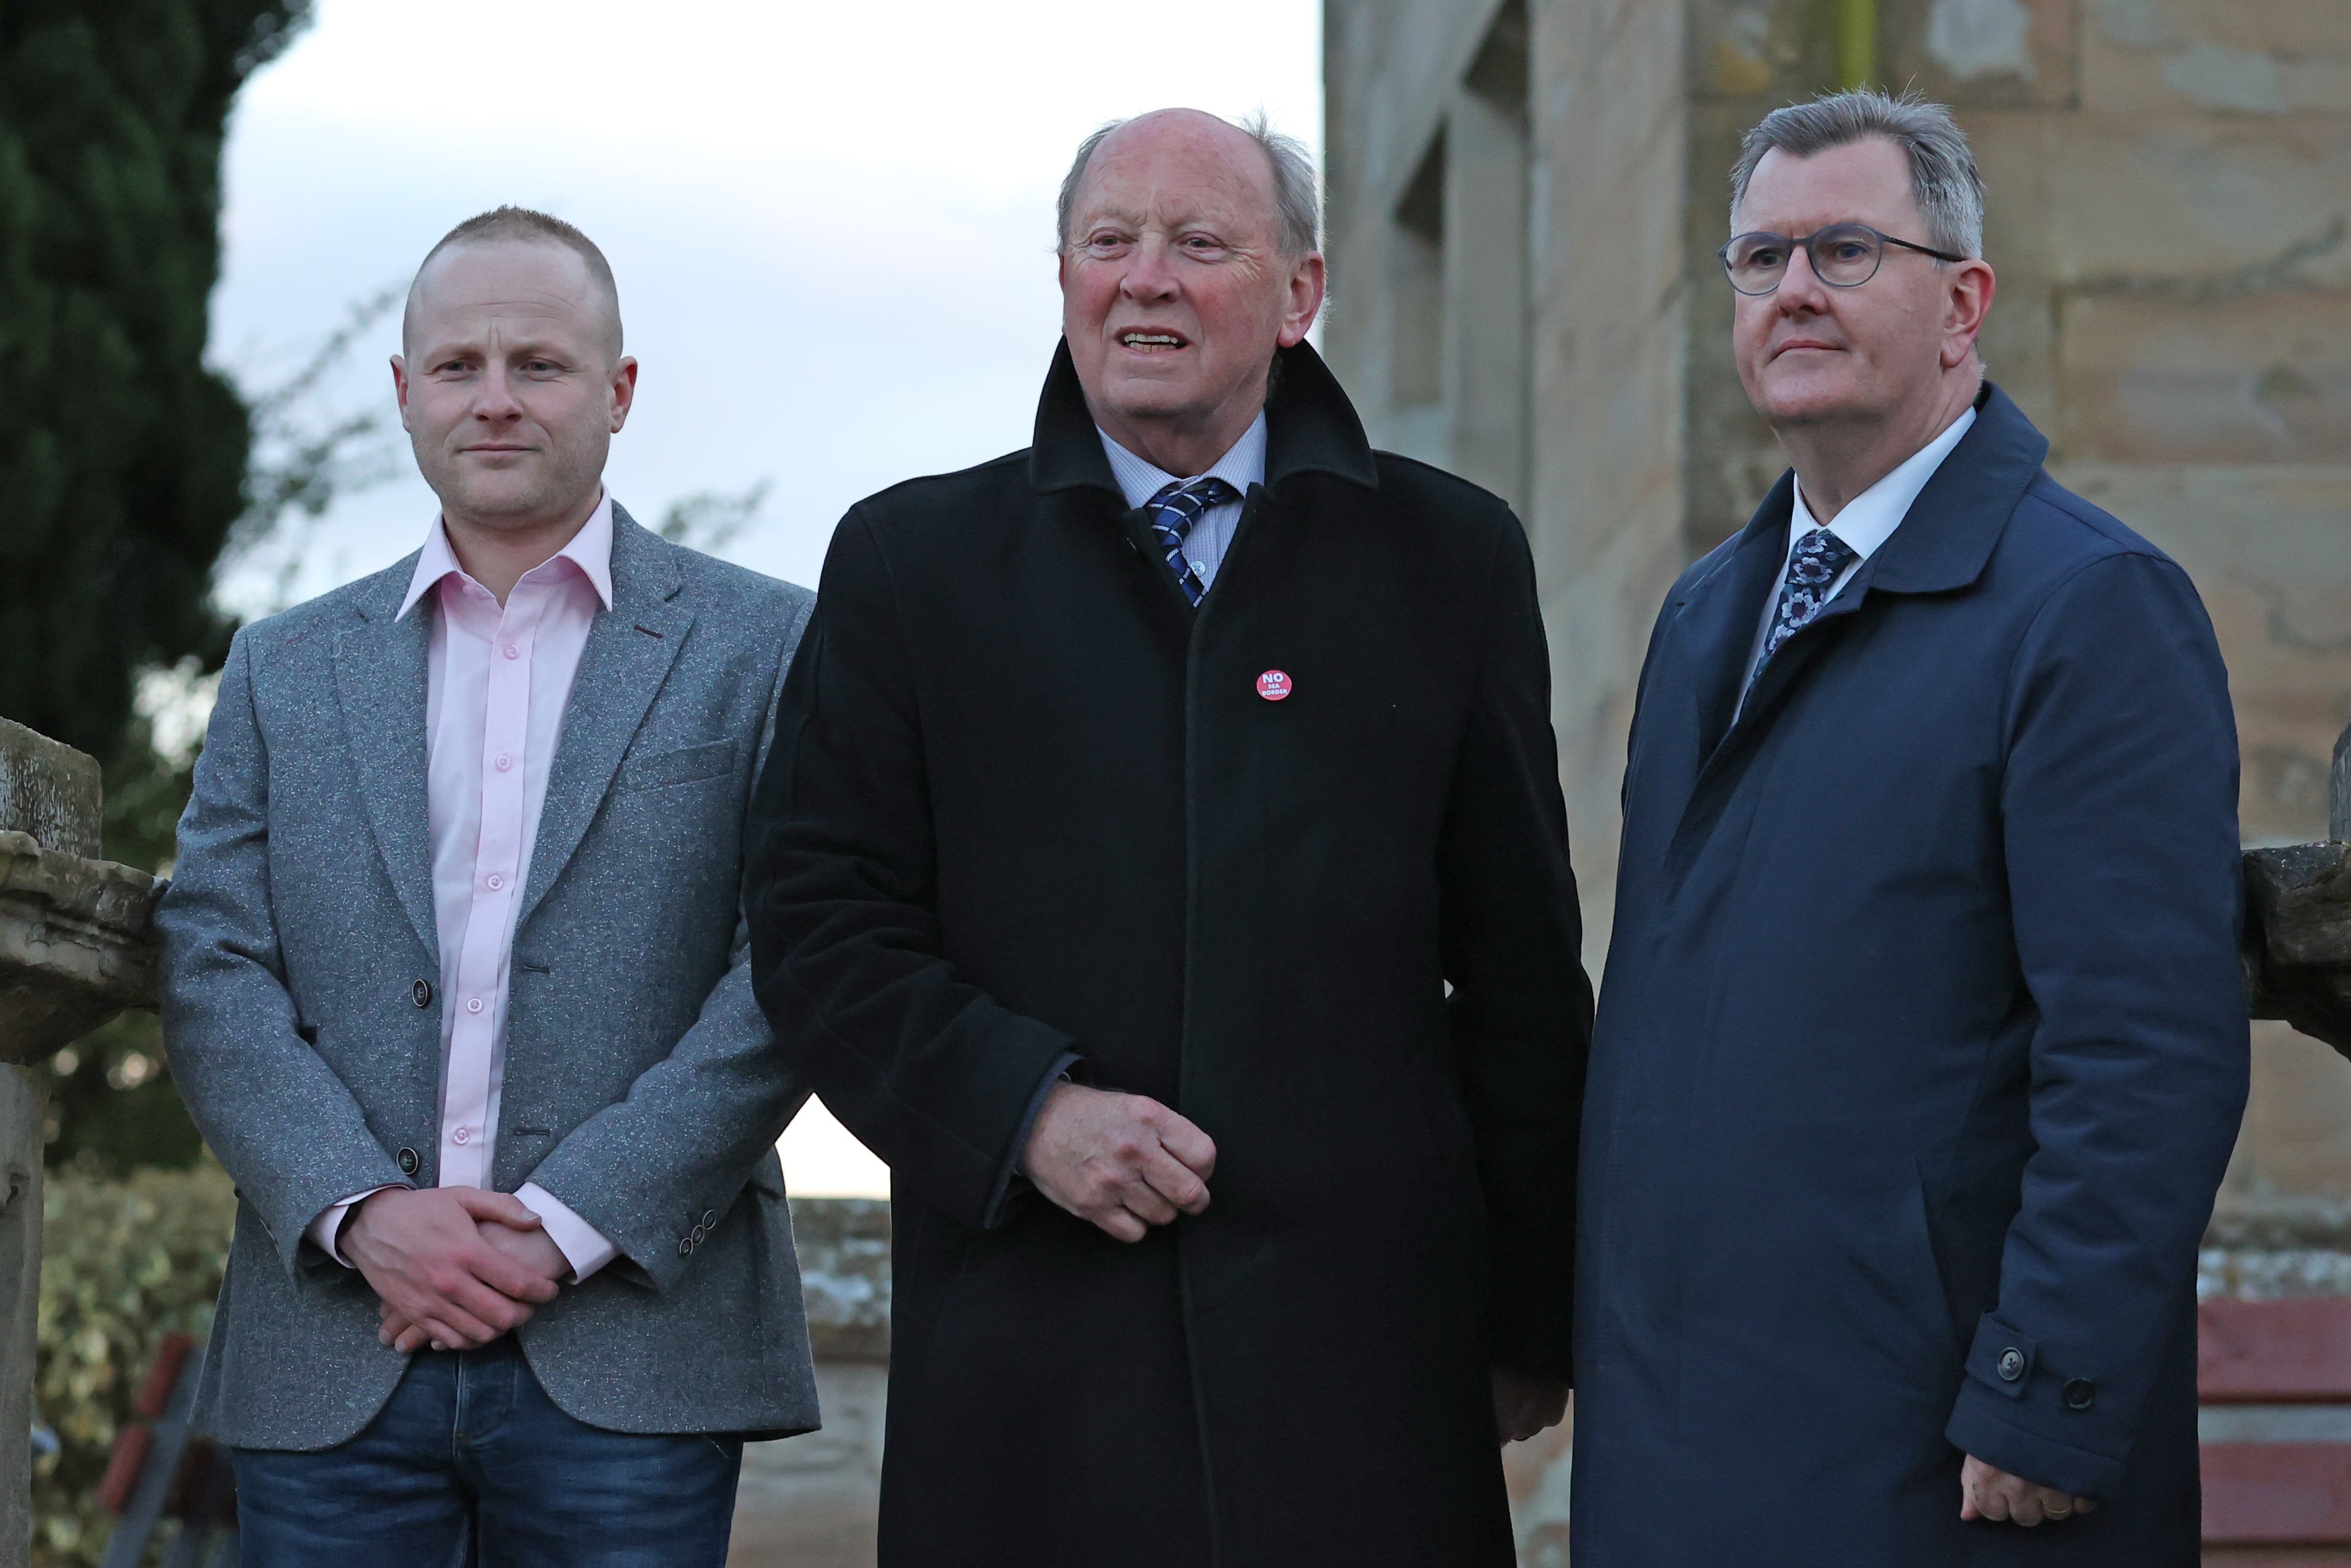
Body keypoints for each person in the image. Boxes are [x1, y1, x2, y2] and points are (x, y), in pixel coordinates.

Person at [744, 109, 1592, 1566]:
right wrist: (1025, 1113)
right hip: (1030, 1368)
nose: (1145, 280)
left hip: (1366, 1374)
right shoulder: (908, 565)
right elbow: (820, 927)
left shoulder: (1453, 559)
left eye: (1201, 244)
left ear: (1298, 294)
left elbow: (1517, 966)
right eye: (1108, 243)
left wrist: (1528, 1313)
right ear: (1063, 276)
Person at [1573, 90, 2247, 1565]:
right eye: (1760, 260)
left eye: (1845, 251)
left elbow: (2145, 1048)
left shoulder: (2090, 612)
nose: (1793, 289)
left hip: (1941, 1466)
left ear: (1964, 303)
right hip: (1684, 1454)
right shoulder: (1701, 621)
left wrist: (2045, 1396)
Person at [158, 206, 818, 1566]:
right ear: (404, 393)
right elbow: (211, 959)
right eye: (458, 365)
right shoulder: (285, 664)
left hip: (635, 1344)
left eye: (541, 362)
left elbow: (799, 960)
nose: (497, 398)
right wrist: (360, 1212)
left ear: (619, 390)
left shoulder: (769, 643)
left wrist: (570, 1227)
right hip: (335, 1343)